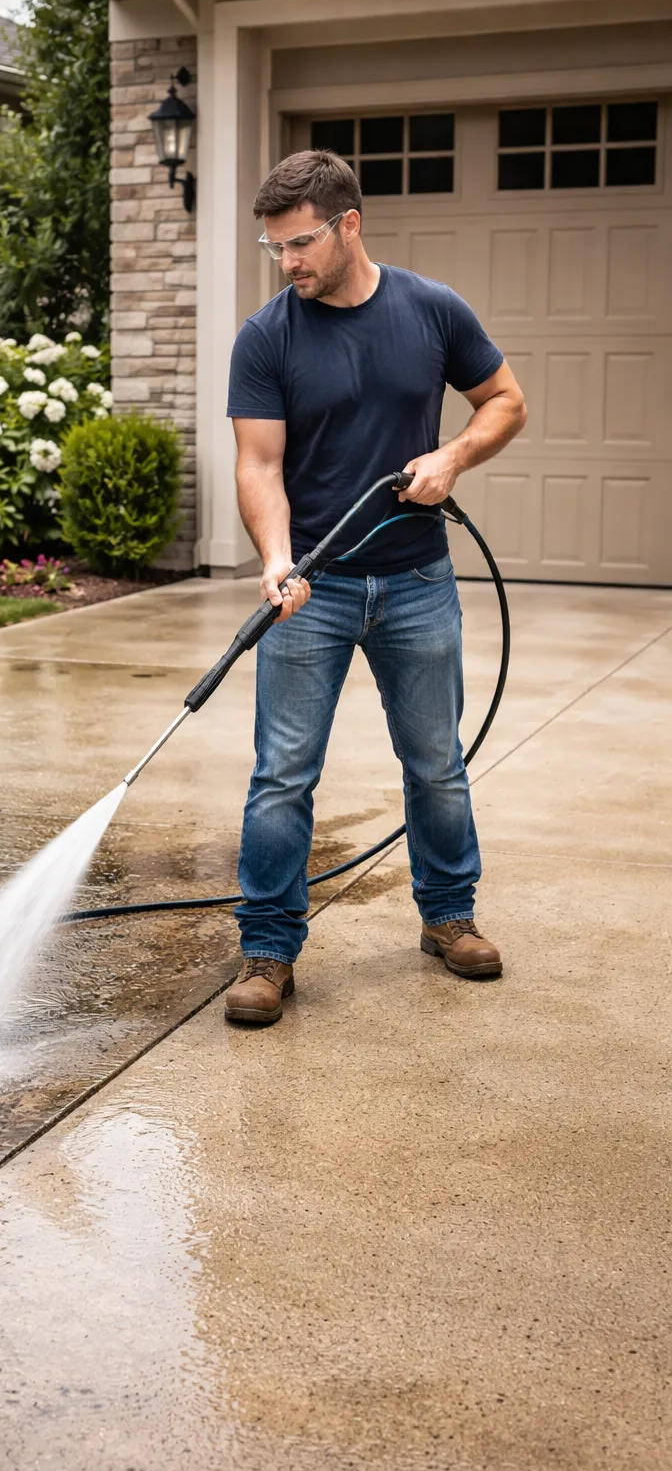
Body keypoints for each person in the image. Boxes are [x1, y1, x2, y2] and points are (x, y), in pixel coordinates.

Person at [224, 150, 527, 1027]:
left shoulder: (431, 310)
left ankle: (448, 917)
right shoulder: (267, 335)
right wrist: (276, 559)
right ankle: (269, 950)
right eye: (275, 247)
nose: (289, 263)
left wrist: (453, 455)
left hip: (417, 582)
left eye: (301, 243)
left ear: (349, 224)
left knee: (436, 764)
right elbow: (259, 462)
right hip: (310, 588)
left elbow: (505, 399)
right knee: (282, 775)